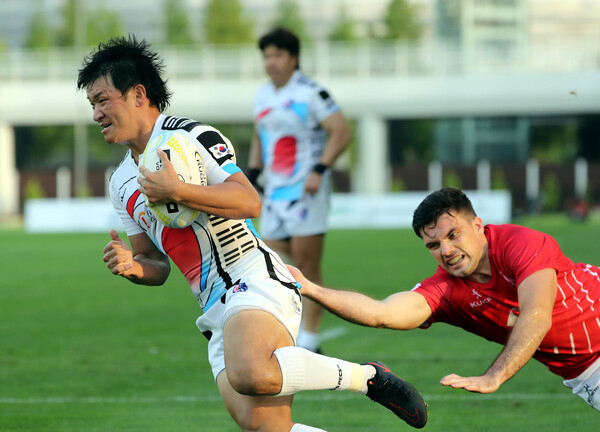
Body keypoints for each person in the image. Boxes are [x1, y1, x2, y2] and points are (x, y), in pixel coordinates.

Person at [77, 35, 428, 432]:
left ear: (138, 94)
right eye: (92, 104)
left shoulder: (190, 136)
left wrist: (178, 191)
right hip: (212, 306)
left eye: (102, 100)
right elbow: (155, 263)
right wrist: (133, 267)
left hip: (253, 278)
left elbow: (248, 201)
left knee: (251, 374)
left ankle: (367, 378)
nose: (96, 114)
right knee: (266, 427)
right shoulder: (120, 182)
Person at [289, 187, 600, 411]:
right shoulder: (445, 290)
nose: (446, 251)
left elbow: (537, 315)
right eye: (433, 245)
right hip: (586, 371)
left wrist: (495, 376)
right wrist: (310, 289)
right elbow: (381, 313)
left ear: (478, 226)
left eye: (454, 235)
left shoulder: (520, 243)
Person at [248, 27, 352, 353]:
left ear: (293, 58)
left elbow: (342, 132)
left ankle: (310, 339)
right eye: (267, 56)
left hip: (306, 191)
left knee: (307, 264)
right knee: (272, 257)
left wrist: (320, 169)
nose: (271, 62)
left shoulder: (311, 93)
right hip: (274, 193)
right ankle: (296, 325)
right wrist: (251, 174)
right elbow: (259, 137)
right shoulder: (262, 96)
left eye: (278, 55)